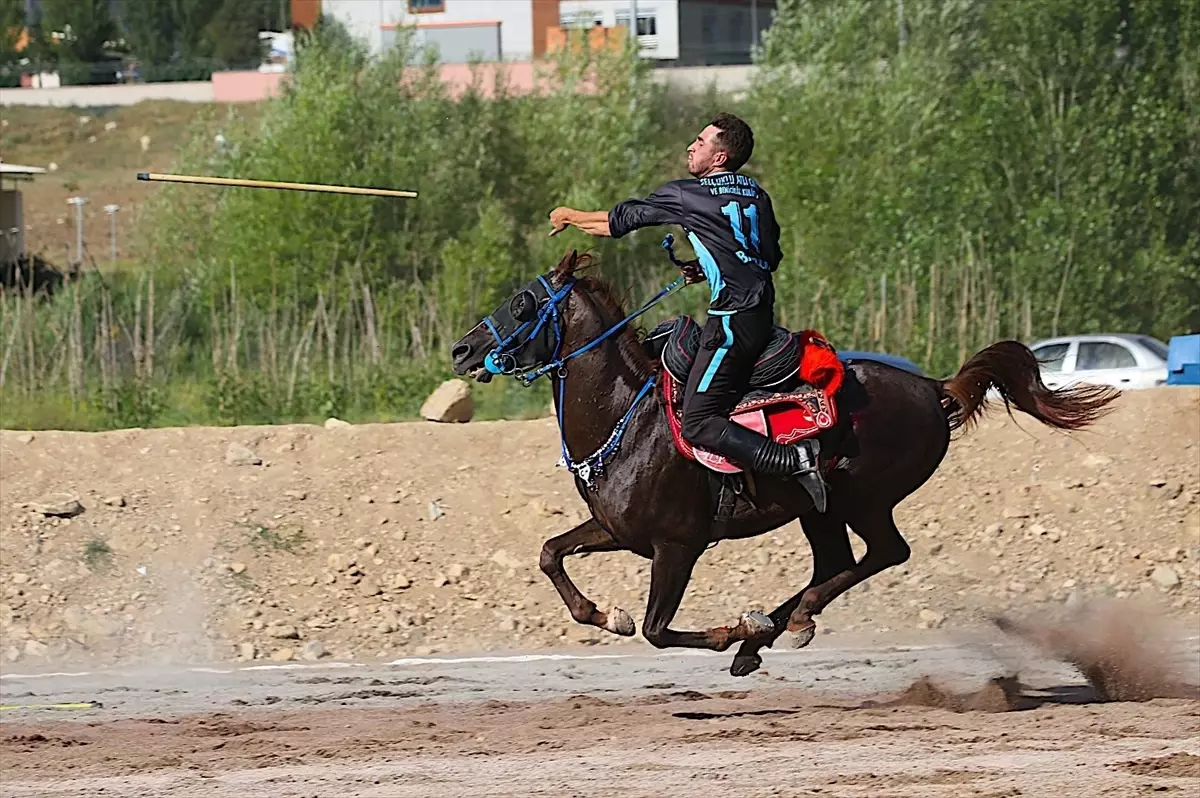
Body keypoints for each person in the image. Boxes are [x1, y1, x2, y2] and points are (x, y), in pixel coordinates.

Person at [548, 112, 827, 512]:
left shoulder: (690, 194)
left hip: (731, 324)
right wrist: (710, 264)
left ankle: (792, 460)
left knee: (697, 421)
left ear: (719, 157)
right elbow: (767, 256)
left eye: (701, 141)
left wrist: (570, 216)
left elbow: (616, 222)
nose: (691, 147)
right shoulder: (756, 195)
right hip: (759, 315)